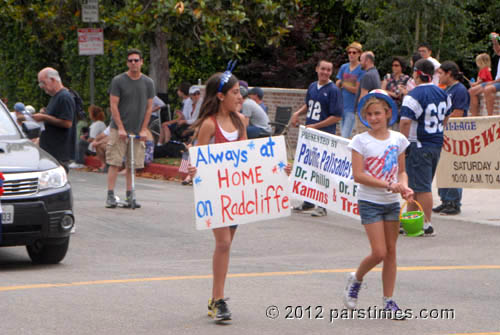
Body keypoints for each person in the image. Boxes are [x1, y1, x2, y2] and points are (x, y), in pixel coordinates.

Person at [344, 93, 413, 318]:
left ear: (388, 114)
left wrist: (404, 187)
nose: (373, 118)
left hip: (391, 203)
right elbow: (358, 175)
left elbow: (401, 171)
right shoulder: (360, 141)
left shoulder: (398, 140)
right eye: (369, 114)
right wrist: (387, 184)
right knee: (379, 252)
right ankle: (356, 278)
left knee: (391, 252)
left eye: (378, 114)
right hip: (370, 201)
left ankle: (389, 300)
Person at [188, 68, 248, 322]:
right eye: (235, 92)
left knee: (226, 246)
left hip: (237, 192)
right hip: (214, 193)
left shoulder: (240, 122)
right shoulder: (209, 124)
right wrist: (189, 170)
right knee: (223, 243)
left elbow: (250, 158)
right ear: (221, 96)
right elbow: (194, 157)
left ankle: (216, 298)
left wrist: (277, 170)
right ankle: (219, 300)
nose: (240, 97)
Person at [399, 59, 452, 236]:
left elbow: (406, 122)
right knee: (416, 184)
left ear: (417, 73)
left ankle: (426, 223)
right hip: (436, 142)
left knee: (422, 187)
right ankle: (410, 219)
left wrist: (402, 144)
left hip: (419, 143)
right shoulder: (443, 93)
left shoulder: (413, 95)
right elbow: (447, 116)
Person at [291, 59, 343, 217]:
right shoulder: (313, 86)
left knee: (321, 170)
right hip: (311, 134)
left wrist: (316, 126)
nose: (325, 72)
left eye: (328, 70)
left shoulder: (333, 90)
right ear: (317, 69)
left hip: (324, 135)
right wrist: (297, 113)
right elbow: (309, 104)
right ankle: (309, 200)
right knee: (309, 167)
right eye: (323, 69)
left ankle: (322, 204)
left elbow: (337, 116)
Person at [105, 48, 155, 209]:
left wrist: (143, 129)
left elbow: (149, 108)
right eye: (130, 60)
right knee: (114, 162)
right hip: (119, 129)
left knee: (132, 165)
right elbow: (113, 105)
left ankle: (130, 195)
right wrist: (120, 127)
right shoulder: (118, 81)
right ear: (127, 63)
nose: (133, 63)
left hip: (137, 130)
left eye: (136, 60)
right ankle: (110, 195)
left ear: (141, 62)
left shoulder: (148, 83)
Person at [433, 61, 470, 215]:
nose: (438, 76)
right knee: (443, 167)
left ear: (449, 73)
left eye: (441, 73)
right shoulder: (446, 90)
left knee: (453, 166)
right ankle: (445, 199)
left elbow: (458, 113)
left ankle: (454, 201)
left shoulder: (460, 90)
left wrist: (441, 118)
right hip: (443, 134)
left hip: (455, 135)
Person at [33, 67, 76, 172]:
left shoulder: (64, 97)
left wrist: (44, 117)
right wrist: (45, 112)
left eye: (43, 83)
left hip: (58, 151)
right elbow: (56, 115)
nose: (42, 87)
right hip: (50, 149)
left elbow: (67, 123)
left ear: (53, 80)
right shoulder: (55, 96)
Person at [336, 41, 364, 138]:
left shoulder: (361, 69)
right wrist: (343, 83)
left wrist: (343, 83)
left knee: (345, 135)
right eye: (349, 52)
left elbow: (356, 89)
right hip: (341, 105)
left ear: (359, 54)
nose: (351, 55)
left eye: (354, 52)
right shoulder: (344, 67)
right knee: (343, 133)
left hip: (352, 107)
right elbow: (337, 83)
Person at [471, 34, 500, 116]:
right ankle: (474, 116)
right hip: (497, 81)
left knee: (488, 89)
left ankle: (490, 116)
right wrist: (495, 41)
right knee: (471, 91)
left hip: (497, 82)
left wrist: (492, 82)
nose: (495, 49)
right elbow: (497, 50)